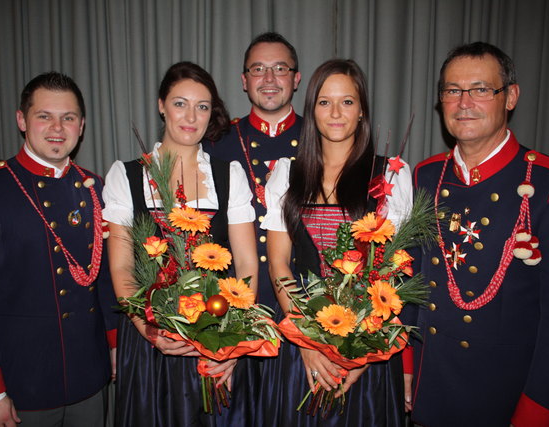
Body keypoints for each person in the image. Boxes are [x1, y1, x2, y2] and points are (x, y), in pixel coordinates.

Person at [0, 72, 118, 426]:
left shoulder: (96, 188)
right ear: (22, 120)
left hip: (90, 374)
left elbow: (104, 281)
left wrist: (116, 345)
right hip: (22, 385)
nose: (58, 127)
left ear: (81, 125)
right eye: (44, 116)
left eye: (68, 117)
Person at [408, 42, 549, 426]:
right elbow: (409, 281)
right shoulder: (426, 176)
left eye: (481, 89)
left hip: (505, 400)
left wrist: (539, 414)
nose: (464, 103)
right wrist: (406, 367)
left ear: (510, 96)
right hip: (430, 390)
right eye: (452, 91)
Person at [103, 61, 259, 426]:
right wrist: (149, 328)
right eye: (180, 103)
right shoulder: (126, 175)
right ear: (161, 105)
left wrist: (233, 342)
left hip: (218, 335)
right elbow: (122, 267)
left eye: (202, 106)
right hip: (150, 345)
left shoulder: (229, 175)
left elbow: (248, 265)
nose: (191, 116)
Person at [260, 59, 413, 426]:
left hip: (366, 352)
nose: (336, 112)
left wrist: (359, 355)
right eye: (324, 102)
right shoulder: (287, 173)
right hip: (303, 351)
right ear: (311, 110)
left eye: (347, 101)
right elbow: (280, 263)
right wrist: (308, 341)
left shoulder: (390, 174)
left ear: (362, 111)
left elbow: (392, 272)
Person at [203, 31, 302, 310]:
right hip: (234, 305)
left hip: (307, 303)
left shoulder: (320, 142)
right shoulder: (217, 145)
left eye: (280, 69)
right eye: (258, 69)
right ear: (244, 81)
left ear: (296, 79)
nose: (269, 79)